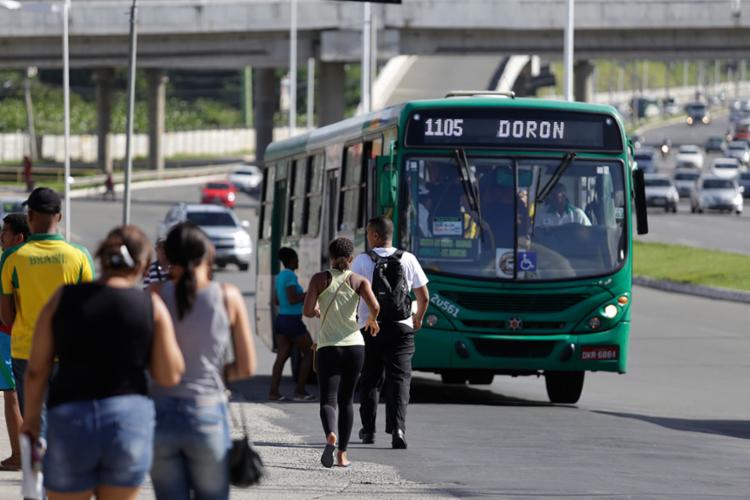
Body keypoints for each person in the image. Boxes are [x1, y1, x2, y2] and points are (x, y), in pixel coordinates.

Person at [20, 225, 185, 500]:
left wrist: (33, 420)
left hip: (70, 419)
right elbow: (170, 374)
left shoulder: (63, 298)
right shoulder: (151, 306)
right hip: (128, 422)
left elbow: (37, 370)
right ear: (144, 265)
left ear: (101, 259)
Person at [150, 222, 257, 500]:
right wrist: (213, 372)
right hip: (207, 412)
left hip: (161, 413)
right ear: (208, 253)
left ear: (167, 256)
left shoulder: (154, 295)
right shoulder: (227, 296)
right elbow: (246, 366)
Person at [0, 187, 95, 417]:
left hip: (27, 352)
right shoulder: (80, 255)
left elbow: (6, 316)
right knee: (65, 424)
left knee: (34, 426)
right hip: (68, 352)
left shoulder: (12, 258)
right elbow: (88, 313)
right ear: (59, 217)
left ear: (29, 215)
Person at [303, 237, 380, 468]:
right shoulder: (359, 280)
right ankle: (343, 454)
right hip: (355, 346)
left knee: (328, 400)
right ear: (351, 259)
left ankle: (330, 435)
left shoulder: (320, 279)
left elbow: (307, 311)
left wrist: (318, 310)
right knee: (347, 400)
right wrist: (372, 320)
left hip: (328, 347)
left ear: (330, 257)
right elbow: (375, 306)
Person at [354, 216, 429, 450]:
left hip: (369, 327)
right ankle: (398, 429)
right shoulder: (408, 259)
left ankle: (368, 430)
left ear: (375, 236)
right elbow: (423, 296)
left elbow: (351, 295)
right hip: (401, 328)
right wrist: (417, 318)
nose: (367, 238)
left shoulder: (361, 261)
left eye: (368, 234)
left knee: (370, 379)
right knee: (399, 379)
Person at [0, 213, 29, 471]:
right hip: (36, 336)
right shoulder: (37, 258)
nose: (1, 237)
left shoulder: (10, 258)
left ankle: (19, 456)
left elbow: (5, 308)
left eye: (4, 232)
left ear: (18, 237)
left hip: (8, 334)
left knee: (11, 395)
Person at [269, 247, 314, 401]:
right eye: (296, 259)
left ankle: (273, 392)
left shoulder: (281, 276)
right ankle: (300, 391)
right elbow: (292, 299)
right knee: (310, 352)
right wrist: (310, 293)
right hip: (292, 321)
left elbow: (276, 300)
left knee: (281, 357)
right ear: (291, 260)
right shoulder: (290, 276)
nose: (298, 261)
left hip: (281, 319)